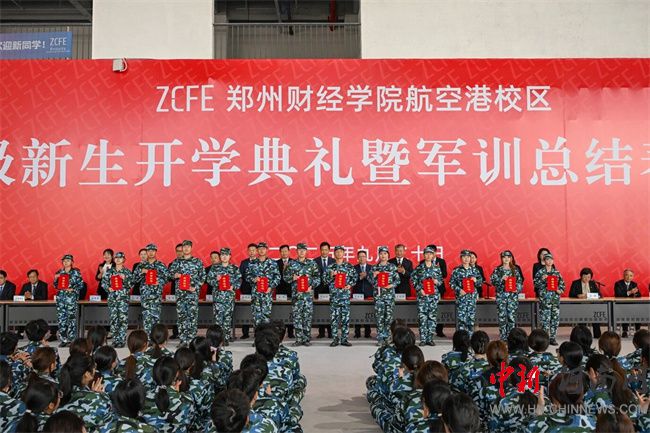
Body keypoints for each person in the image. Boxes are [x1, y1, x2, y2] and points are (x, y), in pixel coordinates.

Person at [58, 353, 113, 432]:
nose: (95, 371)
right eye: (94, 368)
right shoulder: (98, 399)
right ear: (87, 374)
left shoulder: (57, 394)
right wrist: (99, 396)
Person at [141, 356, 195, 433]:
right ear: (176, 374)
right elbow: (190, 424)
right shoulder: (186, 400)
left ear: (154, 374)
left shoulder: (143, 398)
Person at [169, 240, 206, 346]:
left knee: (192, 317)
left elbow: (203, 277)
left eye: (188, 246)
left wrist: (195, 287)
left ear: (191, 248)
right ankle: (183, 340)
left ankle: (191, 340)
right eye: (184, 246)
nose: (186, 248)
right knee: (181, 317)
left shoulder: (197, 262)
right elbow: (169, 275)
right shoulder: (176, 262)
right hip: (180, 295)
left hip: (192, 294)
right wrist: (175, 275)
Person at [282, 242, 320, 346]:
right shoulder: (291, 264)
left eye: (303, 250)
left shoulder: (312, 264)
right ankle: (299, 339)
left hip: (307, 296)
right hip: (296, 296)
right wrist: (292, 278)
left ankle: (306, 339)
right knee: (297, 318)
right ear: (296, 251)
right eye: (299, 250)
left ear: (306, 251)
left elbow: (317, 278)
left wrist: (311, 286)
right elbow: (285, 277)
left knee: (307, 318)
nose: (302, 252)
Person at [206, 247, 242, 345]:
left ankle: (225, 338)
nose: (224, 257)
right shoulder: (215, 268)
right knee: (218, 320)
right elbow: (209, 280)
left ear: (230, 256)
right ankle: (217, 339)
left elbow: (239, 281)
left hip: (229, 298)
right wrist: (217, 280)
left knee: (227, 319)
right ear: (220, 256)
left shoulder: (234, 268)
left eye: (226, 255)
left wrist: (233, 286)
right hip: (218, 298)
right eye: (222, 255)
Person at [325, 245, 358, 347]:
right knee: (334, 319)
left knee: (345, 319)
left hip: (345, 297)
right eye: (337, 252)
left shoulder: (349, 266)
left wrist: (350, 285)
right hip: (334, 297)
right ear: (334, 254)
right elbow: (324, 281)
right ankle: (335, 339)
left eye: (340, 252)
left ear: (343, 253)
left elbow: (355, 278)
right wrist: (331, 275)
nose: (339, 253)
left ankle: (344, 339)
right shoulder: (330, 267)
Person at [410, 246, 443, 346]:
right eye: (426, 254)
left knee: (432, 318)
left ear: (433, 255)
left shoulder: (436, 268)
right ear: (423, 255)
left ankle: (430, 338)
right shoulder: (419, 268)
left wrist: (437, 282)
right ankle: (423, 339)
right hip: (422, 296)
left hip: (433, 297)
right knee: (422, 318)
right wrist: (419, 289)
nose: (428, 256)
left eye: (430, 254)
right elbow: (413, 280)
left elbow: (441, 281)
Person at [137, 243, 170, 337]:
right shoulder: (141, 265)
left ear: (156, 252)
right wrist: (141, 272)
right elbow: (134, 279)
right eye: (149, 251)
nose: (151, 252)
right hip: (145, 297)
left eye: (153, 251)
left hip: (156, 296)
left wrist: (159, 281)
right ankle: (148, 339)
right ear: (146, 252)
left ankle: (156, 339)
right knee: (147, 319)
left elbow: (167, 278)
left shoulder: (160, 265)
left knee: (156, 318)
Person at [245, 242, 281, 329]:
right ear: (257, 250)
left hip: (267, 294)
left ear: (267, 250)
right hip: (256, 294)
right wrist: (253, 279)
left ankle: (266, 336)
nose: (261, 250)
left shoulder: (272, 263)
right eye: (259, 249)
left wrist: (271, 287)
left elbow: (277, 277)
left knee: (266, 318)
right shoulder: (252, 263)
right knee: (256, 318)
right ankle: (258, 336)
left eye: (263, 249)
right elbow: (247, 276)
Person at [370, 246, 400, 346]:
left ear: (388, 255)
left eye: (385, 254)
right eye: (381, 254)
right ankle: (380, 338)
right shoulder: (374, 267)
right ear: (379, 255)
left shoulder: (392, 267)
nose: (383, 255)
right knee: (379, 318)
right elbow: (370, 281)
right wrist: (374, 275)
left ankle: (387, 338)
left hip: (389, 296)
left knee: (388, 318)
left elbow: (398, 280)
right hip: (378, 297)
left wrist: (391, 285)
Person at [101, 251, 132, 348]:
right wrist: (108, 288)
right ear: (114, 260)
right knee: (114, 319)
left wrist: (125, 278)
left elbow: (131, 285)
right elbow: (103, 283)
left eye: (120, 258)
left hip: (123, 299)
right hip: (112, 299)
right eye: (116, 258)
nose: (118, 259)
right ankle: (115, 340)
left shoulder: (127, 272)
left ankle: (121, 340)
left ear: (124, 260)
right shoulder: (110, 271)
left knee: (122, 320)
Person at [490, 250, 523, 340]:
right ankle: (503, 337)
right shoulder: (498, 270)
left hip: (512, 298)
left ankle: (511, 337)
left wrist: (517, 289)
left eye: (508, 257)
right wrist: (501, 279)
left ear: (511, 258)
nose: (506, 259)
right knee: (502, 317)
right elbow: (492, 281)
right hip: (501, 297)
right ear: (501, 258)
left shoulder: (515, 270)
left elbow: (520, 282)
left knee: (511, 317)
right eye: (504, 257)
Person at [534, 252, 565, 345]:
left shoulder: (557, 273)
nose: (550, 261)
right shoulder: (540, 272)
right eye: (547, 259)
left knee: (555, 319)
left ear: (553, 261)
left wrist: (559, 290)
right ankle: (545, 338)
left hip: (555, 300)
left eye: (551, 259)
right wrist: (542, 279)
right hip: (545, 300)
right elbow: (535, 284)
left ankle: (552, 338)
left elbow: (562, 285)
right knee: (545, 320)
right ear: (544, 261)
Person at [450, 250, 483, 335]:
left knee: (470, 320)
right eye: (464, 257)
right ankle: (462, 338)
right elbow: (451, 283)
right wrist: (459, 290)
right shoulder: (456, 270)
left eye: (468, 257)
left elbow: (480, 282)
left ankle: (470, 337)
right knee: (461, 320)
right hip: (461, 299)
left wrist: (476, 281)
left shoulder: (475, 270)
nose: (466, 259)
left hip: (472, 299)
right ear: (461, 258)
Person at [53, 254, 83, 347]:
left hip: (71, 299)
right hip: (61, 299)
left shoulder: (76, 272)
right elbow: (55, 286)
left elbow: (81, 285)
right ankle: (63, 339)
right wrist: (55, 278)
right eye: (64, 261)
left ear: (72, 262)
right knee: (62, 319)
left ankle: (71, 339)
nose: (66, 262)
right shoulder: (59, 272)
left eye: (68, 261)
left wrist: (73, 289)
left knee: (71, 319)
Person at [569, 267, 602, 338]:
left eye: (588, 277)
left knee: (596, 316)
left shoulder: (592, 283)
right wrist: (578, 295)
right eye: (584, 277)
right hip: (580, 306)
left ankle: (597, 335)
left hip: (592, 306)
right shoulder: (575, 283)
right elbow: (571, 295)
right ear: (581, 276)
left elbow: (600, 295)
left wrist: (590, 295)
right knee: (582, 317)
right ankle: (583, 336)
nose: (587, 279)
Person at [239, 243, 259, 340]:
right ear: (248, 251)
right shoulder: (244, 262)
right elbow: (240, 276)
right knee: (245, 310)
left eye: (253, 250)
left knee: (257, 312)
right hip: (246, 289)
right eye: (250, 250)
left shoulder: (260, 262)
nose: (251, 252)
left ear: (257, 251)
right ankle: (245, 333)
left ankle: (257, 333)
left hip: (258, 290)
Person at [614, 269, 642, 337]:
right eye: (627, 275)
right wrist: (630, 292)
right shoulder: (618, 283)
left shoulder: (634, 284)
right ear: (623, 276)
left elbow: (639, 294)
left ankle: (638, 331)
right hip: (621, 305)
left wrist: (635, 294)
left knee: (639, 311)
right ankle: (625, 331)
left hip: (632, 305)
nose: (629, 277)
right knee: (625, 310)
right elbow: (618, 294)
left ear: (633, 277)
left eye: (631, 276)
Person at [315, 241, 334, 339]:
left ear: (329, 250)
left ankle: (330, 332)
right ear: (320, 250)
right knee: (320, 310)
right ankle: (321, 332)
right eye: (322, 250)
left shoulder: (333, 261)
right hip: (319, 289)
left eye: (326, 250)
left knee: (330, 310)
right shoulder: (315, 261)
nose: (324, 252)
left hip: (331, 289)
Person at [276, 244, 295, 339]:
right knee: (281, 311)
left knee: (290, 311)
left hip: (291, 290)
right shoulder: (276, 263)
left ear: (289, 252)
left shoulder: (294, 262)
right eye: (282, 251)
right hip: (280, 290)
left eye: (285, 251)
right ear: (280, 252)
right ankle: (281, 332)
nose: (284, 253)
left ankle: (291, 332)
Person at [353, 250, 373, 338]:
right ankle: (357, 333)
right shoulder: (354, 268)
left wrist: (367, 276)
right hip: (357, 293)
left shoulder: (371, 268)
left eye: (363, 256)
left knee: (367, 313)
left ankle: (367, 333)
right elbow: (351, 280)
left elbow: (374, 280)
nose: (362, 258)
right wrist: (360, 277)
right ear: (358, 258)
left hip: (369, 293)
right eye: (360, 256)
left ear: (366, 257)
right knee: (357, 312)